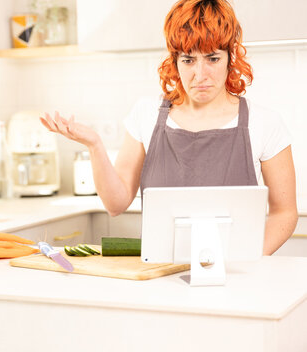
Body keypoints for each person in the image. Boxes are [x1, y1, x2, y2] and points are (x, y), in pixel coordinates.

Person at [40, 0, 298, 255]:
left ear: (231, 57)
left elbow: (284, 213)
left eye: (212, 58)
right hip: (158, 276)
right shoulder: (146, 114)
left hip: (236, 276)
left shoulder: (264, 123)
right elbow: (115, 204)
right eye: (188, 60)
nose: (200, 74)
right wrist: (94, 145)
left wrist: (248, 256)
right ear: (174, 61)